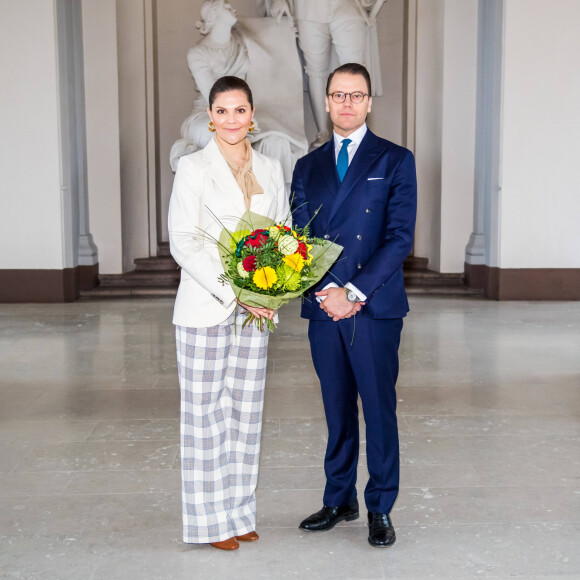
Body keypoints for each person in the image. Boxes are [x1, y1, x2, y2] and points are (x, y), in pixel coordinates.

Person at [291, 63, 417, 547]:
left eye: (356, 95)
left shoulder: (395, 159)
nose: (347, 103)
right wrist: (327, 294)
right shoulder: (308, 166)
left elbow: (399, 237)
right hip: (325, 306)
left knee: (378, 409)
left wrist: (354, 293)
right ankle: (338, 498)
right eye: (338, 95)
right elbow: (300, 237)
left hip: (374, 306)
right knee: (336, 407)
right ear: (326, 101)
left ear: (368, 102)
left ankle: (379, 507)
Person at [169, 75, 289, 551]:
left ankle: (239, 513)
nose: (232, 119)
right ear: (210, 116)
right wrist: (232, 289)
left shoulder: (272, 167)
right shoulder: (192, 168)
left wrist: (269, 288)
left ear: (252, 114)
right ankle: (209, 523)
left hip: (256, 310)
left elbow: (282, 233)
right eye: (223, 111)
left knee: (245, 413)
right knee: (205, 416)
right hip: (206, 306)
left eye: (240, 110)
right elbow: (184, 240)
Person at [170, 0, 306, 186]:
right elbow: (214, 96)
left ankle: (275, 209)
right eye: (226, 7)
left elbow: (268, 39)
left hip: (243, 113)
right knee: (218, 137)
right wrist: (241, 118)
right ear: (213, 15)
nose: (232, 8)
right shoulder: (198, 53)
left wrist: (283, 30)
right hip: (207, 115)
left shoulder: (241, 42)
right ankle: (231, 207)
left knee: (277, 141)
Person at [263, 0, 385, 149]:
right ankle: (323, 132)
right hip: (309, 7)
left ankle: (356, 130)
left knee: (356, 71)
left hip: (348, 6)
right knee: (315, 70)